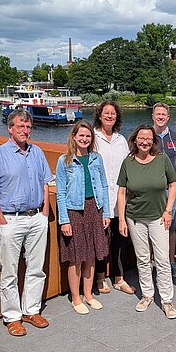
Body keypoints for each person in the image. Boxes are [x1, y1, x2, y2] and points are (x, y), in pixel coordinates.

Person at [0, 109, 54, 337]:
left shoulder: (37, 152)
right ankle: (13, 317)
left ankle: (31, 310)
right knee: (9, 272)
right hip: (11, 220)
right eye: (20, 127)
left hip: (36, 217)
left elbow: (46, 182)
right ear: (10, 128)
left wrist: (45, 212)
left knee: (36, 269)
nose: (25, 131)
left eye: (28, 127)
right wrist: (2, 221)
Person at [117, 125, 176, 319]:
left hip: (159, 218)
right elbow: (121, 192)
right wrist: (121, 219)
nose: (145, 141)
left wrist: (168, 210)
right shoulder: (128, 162)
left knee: (162, 260)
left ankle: (167, 300)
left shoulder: (162, 160)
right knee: (143, 259)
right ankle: (147, 295)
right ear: (135, 140)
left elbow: (173, 184)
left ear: (154, 141)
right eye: (141, 138)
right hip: (135, 218)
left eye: (148, 138)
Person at [56, 121, 111, 315]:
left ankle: (88, 294)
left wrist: (106, 213)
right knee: (76, 257)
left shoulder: (96, 158)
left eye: (88, 136)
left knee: (91, 255)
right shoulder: (65, 160)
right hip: (74, 210)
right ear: (73, 137)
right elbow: (60, 193)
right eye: (81, 136)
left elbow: (104, 186)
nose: (84, 139)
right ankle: (76, 298)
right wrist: (64, 220)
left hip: (94, 209)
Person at [93, 101, 136, 295]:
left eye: (113, 113)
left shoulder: (121, 140)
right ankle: (101, 279)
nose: (110, 116)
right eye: (106, 113)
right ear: (99, 116)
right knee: (101, 241)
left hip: (119, 198)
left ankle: (119, 278)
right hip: (100, 199)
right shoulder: (92, 137)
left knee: (120, 239)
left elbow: (128, 167)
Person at [152, 103, 176, 279]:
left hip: (171, 190)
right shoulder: (147, 136)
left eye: (164, 114)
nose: (161, 117)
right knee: (150, 227)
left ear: (168, 117)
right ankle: (153, 263)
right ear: (153, 116)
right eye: (158, 114)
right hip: (151, 192)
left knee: (170, 228)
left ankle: (171, 262)